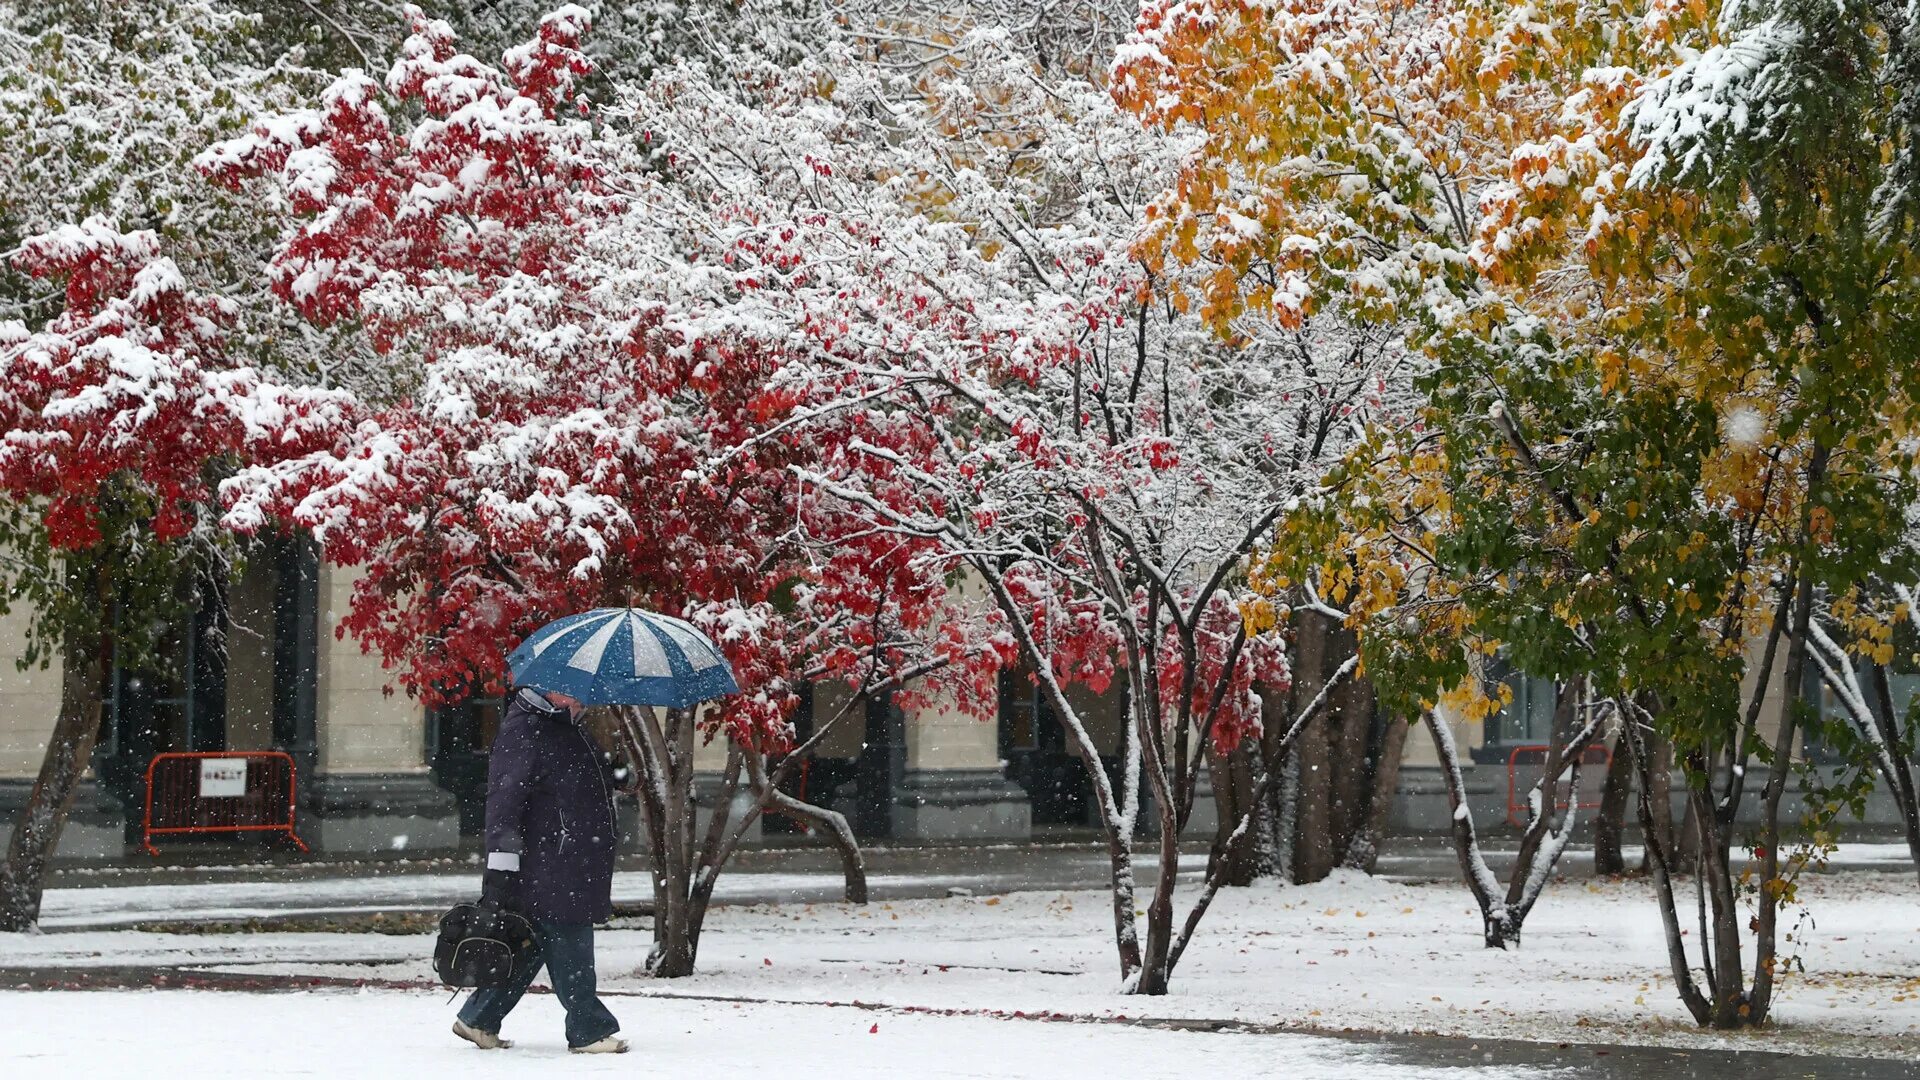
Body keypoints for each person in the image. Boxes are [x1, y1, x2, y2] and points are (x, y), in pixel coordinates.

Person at [452, 684, 630, 1054]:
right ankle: (589, 1029)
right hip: (549, 862)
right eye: (574, 691)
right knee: (569, 937)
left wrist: (617, 774)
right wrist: (500, 866)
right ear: (550, 690)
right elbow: (504, 803)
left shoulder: (564, 727)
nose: (584, 697)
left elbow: (580, 784)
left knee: (532, 942)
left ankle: (479, 1018)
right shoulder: (526, 729)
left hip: (567, 858)